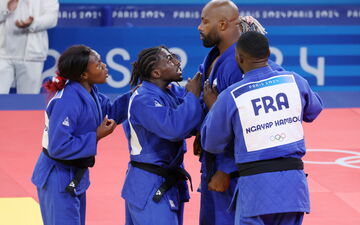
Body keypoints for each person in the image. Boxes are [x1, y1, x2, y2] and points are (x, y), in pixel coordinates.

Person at [201, 31, 323, 225]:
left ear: (239, 58)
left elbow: (211, 142)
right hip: (293, 188)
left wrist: (213, 107)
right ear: (268, 54)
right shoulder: (294, 81)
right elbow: (314, 110)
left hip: (256, 190)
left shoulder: (230, 96)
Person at [195, 1, 283, 224]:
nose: (199, 27)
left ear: (223, 24)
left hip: (233, 170)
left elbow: (248, 124)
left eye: (205, 21)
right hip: (212, 160)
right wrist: (201, 132)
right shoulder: (214, 57)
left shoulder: (238, 65)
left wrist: (225, 169)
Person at [31, 45, 130, 225]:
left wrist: (137, 93)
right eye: (99, 64)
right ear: (84, 75)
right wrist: (96, 136)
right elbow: (58, 147)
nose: (105, 66)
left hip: (74, 173)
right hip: (57, 176)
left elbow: (112, 111)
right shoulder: (67, 102)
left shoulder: (90, 92)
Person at [121, 46, 203, 225]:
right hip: (149, 184)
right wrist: (193, 96)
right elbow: (175, 128)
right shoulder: (143, 99)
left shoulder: (171, 91)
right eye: (169, 59)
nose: (177, 61)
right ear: (156, 72)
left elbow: (193, 116)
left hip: (166, 181)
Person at [0, 0, 59, 94]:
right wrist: (6, 9)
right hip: (2, 54)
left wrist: (33, 23)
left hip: (32, 55)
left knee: (28, 100)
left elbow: (52, 19)